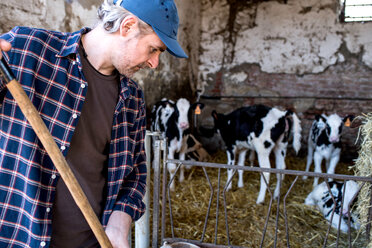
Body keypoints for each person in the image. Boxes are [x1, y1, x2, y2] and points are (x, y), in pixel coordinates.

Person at [0, 0, 187, 247]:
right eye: (154, 49)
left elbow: (134, 175)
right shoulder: (26, 50)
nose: (154, 64)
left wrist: (119, 226)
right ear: (128, 26)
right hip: (20, 236)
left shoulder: (132, 98)